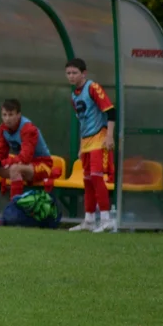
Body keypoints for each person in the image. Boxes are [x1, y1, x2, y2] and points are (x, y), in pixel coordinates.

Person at [65, 58, 117, 232]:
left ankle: (106, 218)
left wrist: (109, 137)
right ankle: (88, 220)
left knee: (96, 176)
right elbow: (82, 122)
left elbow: (110, 111)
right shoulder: (74, 96)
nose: (71, 76)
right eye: (68, 73)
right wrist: (81, 146)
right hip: (86, 141)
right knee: (87, 180)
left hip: (99, 137)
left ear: (83, 73)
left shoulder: (93, 88)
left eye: (74, 73)